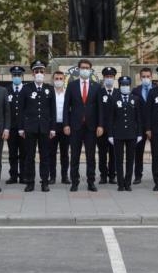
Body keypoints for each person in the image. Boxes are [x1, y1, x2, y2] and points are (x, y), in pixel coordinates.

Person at [18, 60, 56, 192]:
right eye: (36, 71)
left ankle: (44, 182)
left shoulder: (49, 89)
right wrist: (21, 128)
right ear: (33, 73)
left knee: (45, 156)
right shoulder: (26, 88)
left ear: (44, 73)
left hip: (45, 128)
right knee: (30, 156)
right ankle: (30, 182)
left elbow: (53, 110)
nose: (39, 73)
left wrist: (52, 128)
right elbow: (21, 110)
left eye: (41, 71)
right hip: (30, 128)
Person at [64, 58, 100, 192]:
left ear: (90, 70)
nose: (85, 70)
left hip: (91, 127)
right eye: (82, 68)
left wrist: (100, 125)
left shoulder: (96, 86)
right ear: (78, 70)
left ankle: (91, 182)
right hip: (75, 126)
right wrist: (66, 124)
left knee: (91, 156)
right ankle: (74, 182)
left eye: (87, 68)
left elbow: (100, 108)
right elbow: (67, 107)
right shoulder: (72, 85)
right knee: (74, 155)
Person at [101, 75, 143, 191]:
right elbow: (110, 119)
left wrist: (139, 133)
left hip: (131, 134)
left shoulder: (135, 99)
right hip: (118, 134)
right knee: (118, 160)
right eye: (123, 85)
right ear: (119, 86)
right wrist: (110, 134)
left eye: (127, 85)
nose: (125, 87)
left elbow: (138, 118)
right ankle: (120, 184)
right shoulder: (114, 99)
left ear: (130, 86)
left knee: (130, 160)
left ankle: (127, 183)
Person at [96, 66, 119, 187]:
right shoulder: (99, 93)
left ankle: (112, 175)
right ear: (103, 78)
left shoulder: (118, 92)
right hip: (102, 129)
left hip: (115, 130)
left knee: (114, 154)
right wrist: (99, 126)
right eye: (106, 77)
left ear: (114, 78)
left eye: (111, 77)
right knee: (102, 153)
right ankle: (103, 175)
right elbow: (97, 111)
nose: (109, 79)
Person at [5, 65, 26, 184]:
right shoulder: (6, 90)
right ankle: (13, 175)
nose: (16, 77)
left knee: (24, 153)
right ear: (11, 76)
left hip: (23, 128)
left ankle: (23, 175)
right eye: (14, 75)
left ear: (22, 76)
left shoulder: (27, 89)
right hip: (11, 127)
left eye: (18, 75)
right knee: (12, 153)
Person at [133, 67, 154, 185]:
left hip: (154, 127)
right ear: (140, 78)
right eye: (143, 76)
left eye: (148, 76)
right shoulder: (135, 91)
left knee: (156, 152)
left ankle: (157, 175)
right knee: (138, 153)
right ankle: (137, 175)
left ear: (151, 77)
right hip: (139, 127)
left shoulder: (156, 90)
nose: (146, 79)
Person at [50, 69, 70, 185]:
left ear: (64, 80)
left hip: (65, 126)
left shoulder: (67, 93)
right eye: (56, 79)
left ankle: (64, 176)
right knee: (51, 153)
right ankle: (52, 176)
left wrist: (68, 125)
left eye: (60, 79)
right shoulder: (49, 93)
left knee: (64, 153)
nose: (58, 81)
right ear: (53, 80)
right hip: (52, 126)